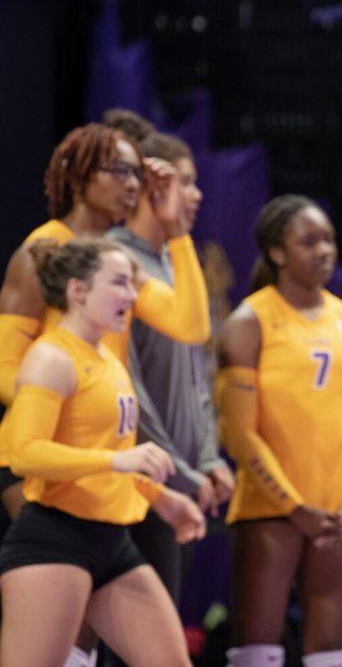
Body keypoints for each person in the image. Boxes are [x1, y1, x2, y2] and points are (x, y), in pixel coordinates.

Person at [0, 237, 205, 667]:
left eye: (132, 284)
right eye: (119, 283)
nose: (132, 296)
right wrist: (116, 461)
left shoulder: (108, 358)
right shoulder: (51, 358)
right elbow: (23, 453)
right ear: (78, 291)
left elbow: (104, 452)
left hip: (112, 539)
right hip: (54, 538)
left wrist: (160, 498)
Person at [0, 124, 210, 519]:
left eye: (136, 173)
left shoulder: (115, 260)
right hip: (37, 455)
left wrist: (175, 228)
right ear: (79, 176)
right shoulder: (41, 249)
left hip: (100, 455)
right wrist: (67, 399)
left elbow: (191, 326)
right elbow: (4, 367)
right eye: (118, 170)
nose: (132, 183)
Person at [217, 194, 342, 667]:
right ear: (276, 252)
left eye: (329, 239)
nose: (325, 250)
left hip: (338, 514)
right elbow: (240, 434)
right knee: (256, 652)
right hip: (269, 513)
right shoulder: (249, 323)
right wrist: (293, 507)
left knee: (332, 653)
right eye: (308, 241)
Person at [108, 130, 233, 608]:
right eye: (184, 181)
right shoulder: (118, 263)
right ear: (150, 188)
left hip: (182, 480)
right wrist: (176, 472)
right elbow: (127, 387)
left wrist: (206, 458)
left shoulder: (177, 262)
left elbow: (200, 377)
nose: (196, 194)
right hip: (142, 477)